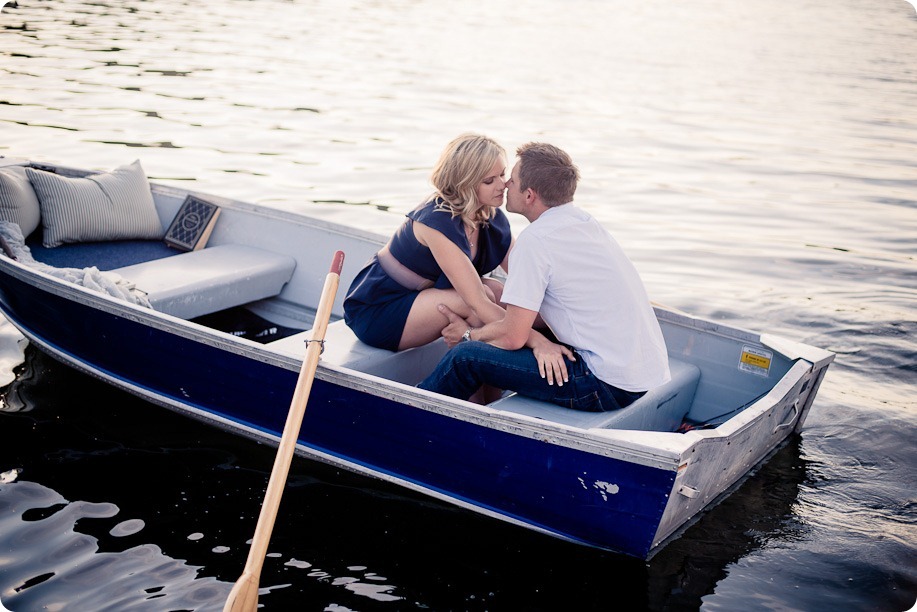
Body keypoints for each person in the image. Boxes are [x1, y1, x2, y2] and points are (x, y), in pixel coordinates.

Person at [418, 142, 671, 412]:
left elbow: (512, 338)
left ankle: (406, 418)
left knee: (464, 358)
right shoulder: (584, 223)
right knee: (513, 320)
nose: (505, 186)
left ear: (529, 195)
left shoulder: (535, 241)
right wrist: (539, 343)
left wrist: (469, 335)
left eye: (511, 181)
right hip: (638, 378)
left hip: (601, 384)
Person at [344, 134, 567, 365]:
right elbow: (477, 303)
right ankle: (475, 395)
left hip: (425, 299)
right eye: (489, 181)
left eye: (502, 174)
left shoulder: (491, 217)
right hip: (381, 309)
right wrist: (538, 341)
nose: (503, 184)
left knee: (500, 293)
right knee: (480, 299)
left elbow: (526, 278)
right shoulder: (436, 221)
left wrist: (571, 311)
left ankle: (527, 371)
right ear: (465, 184)